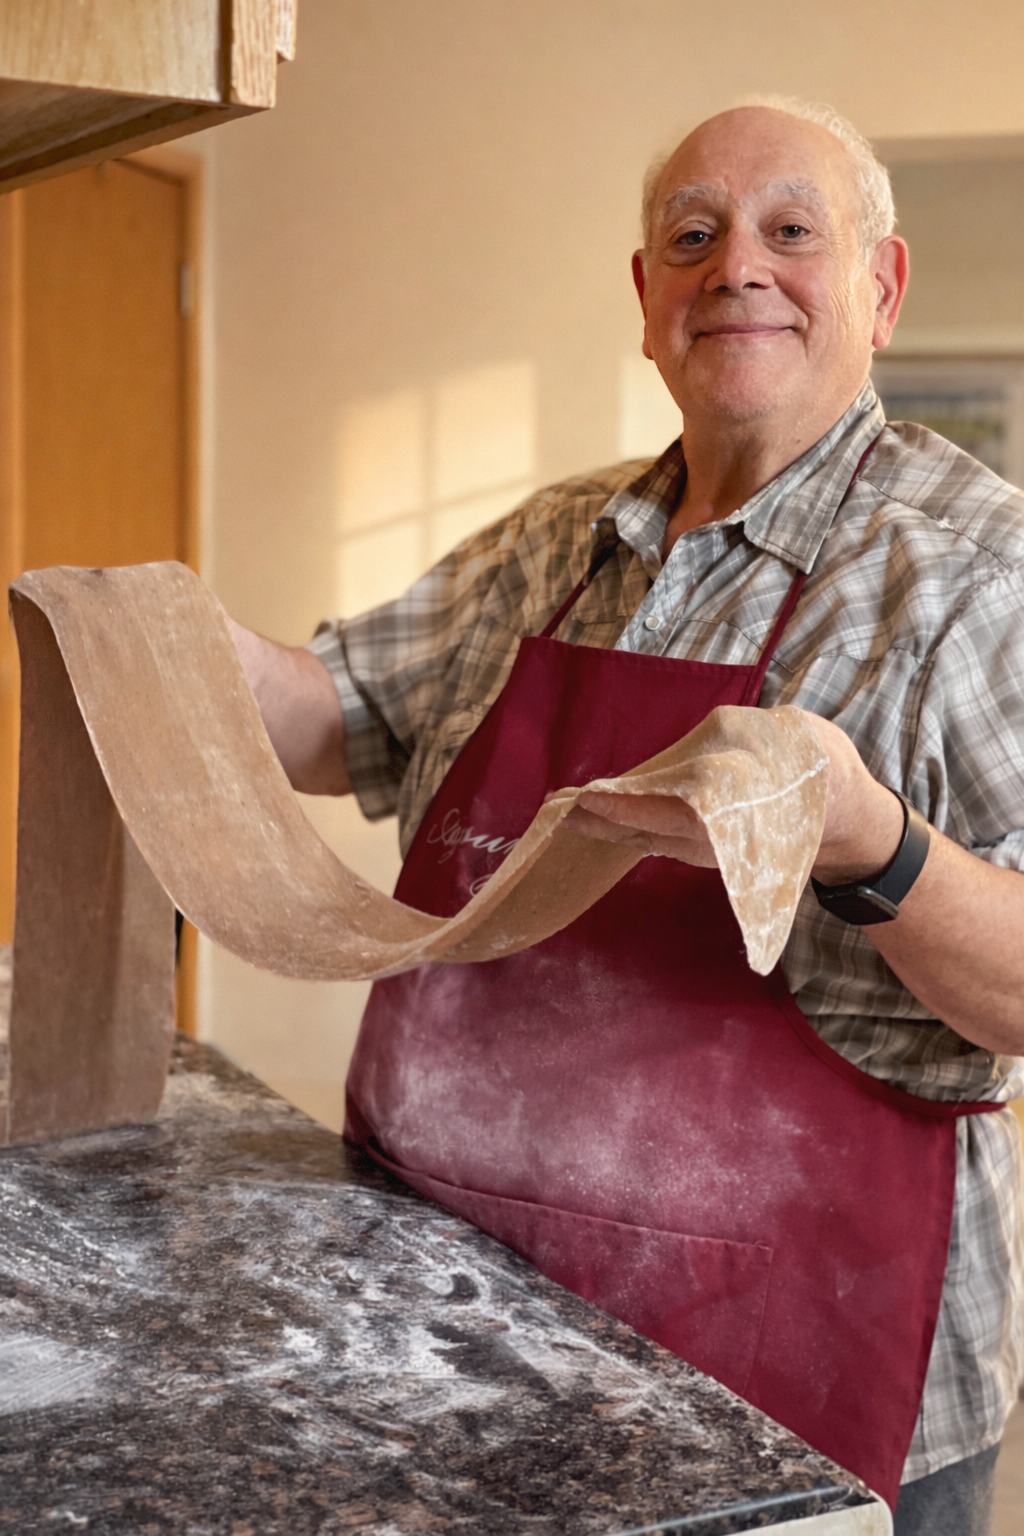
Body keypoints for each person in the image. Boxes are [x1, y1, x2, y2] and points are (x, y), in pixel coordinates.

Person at [229, 98, 1024, 1533]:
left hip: (811, 1381)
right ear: (647, 298)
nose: (738, 270)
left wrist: (871, 844)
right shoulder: (558, 542)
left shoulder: (971, 578)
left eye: (793, 232)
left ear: (882, 289)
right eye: (693, 237)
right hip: (476, 1332)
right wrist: (165, 639)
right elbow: (333, 716)